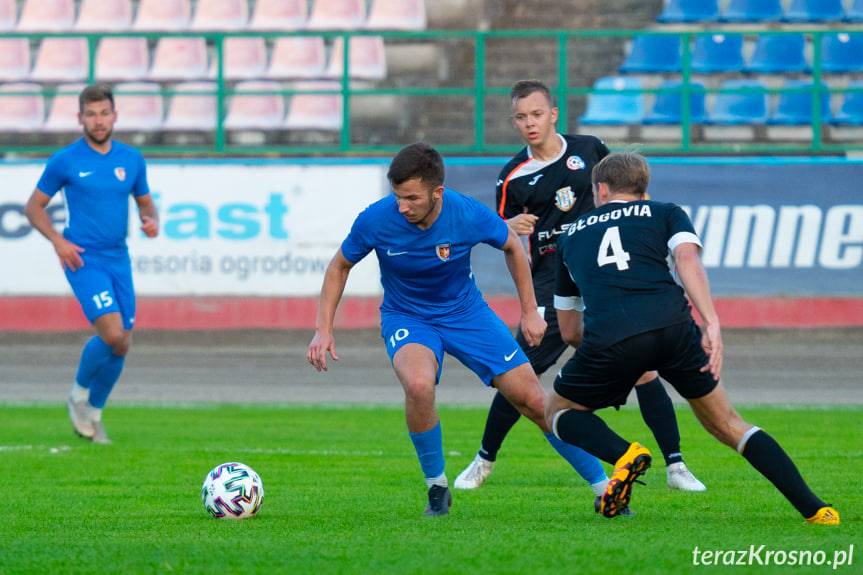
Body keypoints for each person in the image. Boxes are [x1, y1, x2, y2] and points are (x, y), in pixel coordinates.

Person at [307, 142, 615, 516]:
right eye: (398, 197)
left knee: (535, 401)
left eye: (412, 198)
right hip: (408, 317)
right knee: (419, 386)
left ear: (437, 192)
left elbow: (513, 247)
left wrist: (530, 310)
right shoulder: (376, 219)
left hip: (468, 315)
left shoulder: (466, 212)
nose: (402, 207)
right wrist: (323, 329)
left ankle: (605, 488)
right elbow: (339, 265)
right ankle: (437, 488)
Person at [546, 151, 839, 525]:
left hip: (610, 336)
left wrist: (610, 358)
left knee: (558, 411)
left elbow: (570, 329)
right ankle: (816, 510)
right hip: (674, 327)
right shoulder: (666, 212)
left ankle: (625, 454)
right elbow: (687, 260)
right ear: (643, 188)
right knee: (728, 424)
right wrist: (711, 322)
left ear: (600, 189)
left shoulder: (571, 235)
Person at [455, 80, 705, 493]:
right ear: (513, 121)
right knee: (520, 374)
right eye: (521, 117)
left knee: (644, 370)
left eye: (537, 114)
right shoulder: (513, 177)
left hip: (602, 275)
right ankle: (484, 460)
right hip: (553, 284)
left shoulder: (589, 150)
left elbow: (627, 196)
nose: (530, 123)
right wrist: (507, 228)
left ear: (553, 114)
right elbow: (501, 238)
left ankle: (676, 466)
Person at [25, 83, 158, 445]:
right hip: (83, 258)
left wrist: (151, 220)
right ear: (80, 118)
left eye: (104, 113)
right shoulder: (65, 160)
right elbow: (33, 207)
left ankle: (94, 415)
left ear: (114, 115)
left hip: (119, 257)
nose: (98, 121)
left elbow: (145, 202)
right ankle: (78, 394)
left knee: (123, 343)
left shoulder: (131, 159)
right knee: (112, 334)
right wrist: (58, 242)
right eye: (91, 114)